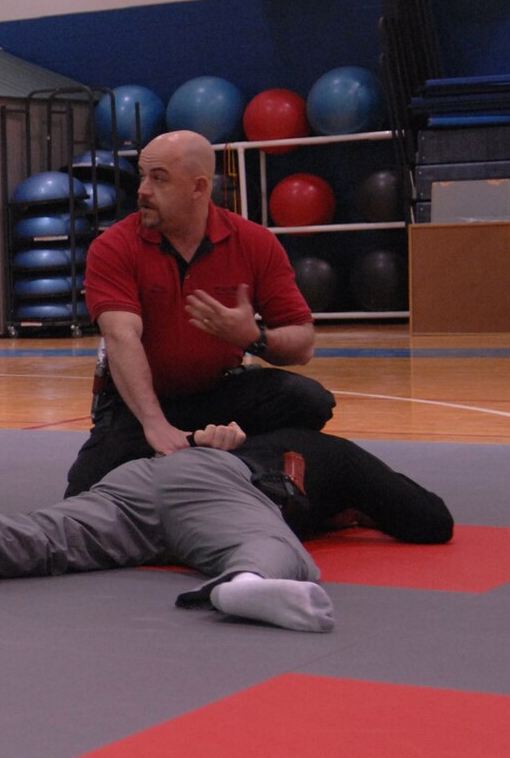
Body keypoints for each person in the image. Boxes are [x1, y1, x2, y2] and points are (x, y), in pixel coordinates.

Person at [0, 424, 454, 632]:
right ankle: (244, 585)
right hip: (218, 489)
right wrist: (356, 508)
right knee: (268, 542)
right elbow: (432, 520)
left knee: (43, 534)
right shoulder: (334, 453)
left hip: (144, 480)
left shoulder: (250, 435)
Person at [67, 128, 334, 497]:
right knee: (84, 493)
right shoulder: (113, 247)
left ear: (198, 187)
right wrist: (155, 425)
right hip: (140, 403)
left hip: (218, 393)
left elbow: (303, 345)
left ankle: (243, 465)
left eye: (159, 179)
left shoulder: (255, 243)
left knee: (309, 399)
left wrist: (253, 338)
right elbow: (121, 336)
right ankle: (204, 460)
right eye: (143, 176)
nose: (143, 190)